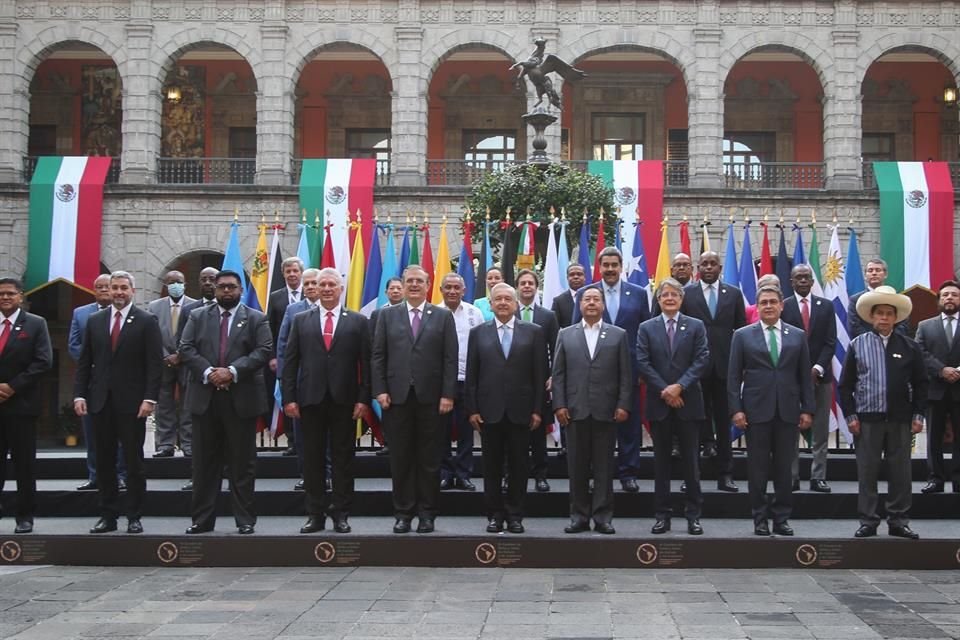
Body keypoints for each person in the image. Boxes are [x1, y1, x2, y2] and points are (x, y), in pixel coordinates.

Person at [179, 270, 272, 535]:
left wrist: (231, 371)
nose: (226, 291)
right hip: (204, 399)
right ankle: (202, 520)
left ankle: (244, 520)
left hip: (240, 399)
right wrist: (210, 373)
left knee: (242, 464)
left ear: (241, 290)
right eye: (222, 287)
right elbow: (185, 348)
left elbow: (264, 350)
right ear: (214, 290)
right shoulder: (196, 316)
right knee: (203, 464)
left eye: (232, 287)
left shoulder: (256, 318)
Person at [74, 271, 163, 535]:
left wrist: (150, 398)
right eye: (115, 288)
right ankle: (108, 515)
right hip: (100, 402)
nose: (119, 292)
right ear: (108, 291)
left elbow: (154, 364)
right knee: (104, 461)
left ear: (132, 291)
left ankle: (134, 516)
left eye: (124, 287)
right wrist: (80, 394)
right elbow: (85, 363)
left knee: (133, 463)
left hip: (133, 404)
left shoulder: (146, 321)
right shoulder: (95, 320)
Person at [282, 268, 370, 534]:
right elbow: (290, 362)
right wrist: (289, 399)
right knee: (312, 460)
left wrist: (363, 399)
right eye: (323, 285)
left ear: (341, 289)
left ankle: (341, 514)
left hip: (344, 400)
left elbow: (366, 364)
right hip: (310, 399)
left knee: (343, 459)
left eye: (333, 285)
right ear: (316, 289)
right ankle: (315, 514)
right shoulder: (300, 320)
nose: (328, 289)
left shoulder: (357, 321)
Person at [372, 265, 458, 534]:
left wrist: (447, 394)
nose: (413, 285)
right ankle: (403, 513)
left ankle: (427, 513)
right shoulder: (386, 316)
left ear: (428, 284)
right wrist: (380, 390)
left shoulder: (442, 316)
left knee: (429, 459)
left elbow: (449, 359)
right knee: (401, 458)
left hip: (432, 399)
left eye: (419, 281)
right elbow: (378, 356)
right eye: (409, 281)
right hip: (396, 398)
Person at [839, 286, 927, 539]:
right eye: (880, 313)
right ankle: (868, 520)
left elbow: (921, 383)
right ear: (872, 317)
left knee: (901, 472)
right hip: (867, 420)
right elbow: (845, 386)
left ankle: (898, 520)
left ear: (896, 317)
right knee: (867, 472)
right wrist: (851, 416)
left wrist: (918, 416)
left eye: (889, 313)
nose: (884, 318)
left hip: (900, 420)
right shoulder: (857, 345)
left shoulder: (910, 347)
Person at [728, 284, 814, 537]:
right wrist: (736, 410)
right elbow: (733, 377)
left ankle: (782, 518)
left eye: (772, 302)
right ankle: (760, 519)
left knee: (784, 470)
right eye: (763, 302)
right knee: (758, 469)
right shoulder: (742, 335)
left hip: (787, 411)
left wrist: (807, 409)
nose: (768, 306)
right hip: (756, 412)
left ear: (781, 305)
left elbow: (804, 376)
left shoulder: (797, 335)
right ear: (758, 306)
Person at [465, 283, 546, 534]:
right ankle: (494, 515)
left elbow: (539, 373)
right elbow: (472, 375)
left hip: (521, 411)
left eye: (507, 299)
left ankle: (515, 515)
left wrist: (537, 410)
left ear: (515, 304)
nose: (502, 303)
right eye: (497, 299)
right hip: (489, 411)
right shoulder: (478, 333)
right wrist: (473, 409)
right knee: (491, 466)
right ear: (490, 304)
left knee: (520, 465)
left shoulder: (534, 332)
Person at [553, 287, 632, 535]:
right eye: (587, 299)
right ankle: (578, 516)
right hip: (574, 411)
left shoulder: (618, 335)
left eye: (596, 299)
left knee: (604, 468)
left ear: (603, 305)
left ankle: (602, 517)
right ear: (580, 304)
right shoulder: (565, 335)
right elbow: (559, 374)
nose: (591, 303)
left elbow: (625, 375)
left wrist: (622, 404)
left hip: (606, 411)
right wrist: (560, 404)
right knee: (576, 467)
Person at [636, 278, 710, 536]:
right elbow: (642, 362)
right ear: (658, 300)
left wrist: (679, 387)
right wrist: (665, 391)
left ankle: (693, 516)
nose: (669, 298)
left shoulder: (696, 326)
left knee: (691, 463)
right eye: (664, 295)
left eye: (673, 295)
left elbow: (701, 359)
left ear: (681, 299)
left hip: (689, 402)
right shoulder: (646, 328)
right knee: (661, 464)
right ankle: (662, 516)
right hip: (659, 403)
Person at [572, 247, 649, 493]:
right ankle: (598, 473)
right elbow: (575, 333)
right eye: (605, 265)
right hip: (595, 372)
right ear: (599, 266)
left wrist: (643, 369)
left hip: (630, 370)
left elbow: (644, 333)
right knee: (598, 426)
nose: (610, 269)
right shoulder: (587, 293)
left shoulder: (637, 294)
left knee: (629, 423)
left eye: (614, 265)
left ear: (621, 266)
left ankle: (628, 473)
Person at [681, 250, 745, 492]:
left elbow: (740, 333)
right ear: (698, 268)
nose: (708, 267)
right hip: (695, 369)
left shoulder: (734, 294)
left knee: (723, 420)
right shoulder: (687, 294)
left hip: (725, 369)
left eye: (713, 264)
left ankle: (725, 474)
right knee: (694, 424)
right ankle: (692, 476)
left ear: (720, 268)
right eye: (704, 264)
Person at [0, 278, 52, 533]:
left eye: (10, 293)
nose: (5, 297)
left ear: (20, 296)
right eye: (1, 294)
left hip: (21, 405)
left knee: (24, 465)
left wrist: (12, 386)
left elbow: (43, 361)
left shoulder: (35, 324)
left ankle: (25, 516)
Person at [68, 273, 126, 492]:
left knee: (119, 434)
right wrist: (93, 365)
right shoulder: (81, 314)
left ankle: (119, 475)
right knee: (93, 433)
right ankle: (94, 476)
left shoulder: (124, 316)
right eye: (99, 287)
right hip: (92, 382)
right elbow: (74, 345)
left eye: (107, 286)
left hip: (120, 383)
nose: (103, 290)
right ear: (94, 290)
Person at [781, 265, 836, 493]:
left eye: (806, 277)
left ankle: (818, 476)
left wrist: (817, 368)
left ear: (813, 281)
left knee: (820, 429)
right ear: (791, 281)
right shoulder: (784, 306)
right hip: (791, 378)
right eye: (798, 278)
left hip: (820, 378)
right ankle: (792, 476)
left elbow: (830, 342)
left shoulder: (826, 306)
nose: (802, 281)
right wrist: (800, 369)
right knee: (791, 428)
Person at [275, 268, 325, 492]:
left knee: (329, 436)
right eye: (308, 284)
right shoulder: (293, 310)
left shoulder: (334, 311)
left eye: (315, 283)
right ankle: (307, 475)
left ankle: (329, 474)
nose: (312, 287)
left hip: (328, 384)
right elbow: (284, 346)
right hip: (301, 383)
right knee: (304, 436)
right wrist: (284, 380)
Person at [173, 266, 218, 493]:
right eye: (204, 279)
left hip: (226, 381)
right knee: (197, 434)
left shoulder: (233, 310)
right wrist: (206, 370)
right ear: (199, 283)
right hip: (197, 378)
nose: (209, 283)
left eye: (213, 279)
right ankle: (197, 477)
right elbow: (183, 344)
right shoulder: (190, 310)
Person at [438, 273, 484, 492]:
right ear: (441, 290)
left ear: (464, 290)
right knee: (442, 430)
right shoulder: (434, 313)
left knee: (467, 431)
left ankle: (464, 474)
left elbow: (482, 347)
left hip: (468, 380)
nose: (453, 291)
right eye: (448, 287)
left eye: (457, 287)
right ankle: (445, 474)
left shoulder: (475, 314)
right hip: (441, 382)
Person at [515, 269, 559, 492]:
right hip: (512, 384)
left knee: (538, 432)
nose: (526, 287)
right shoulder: (507, 312)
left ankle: (540, 475)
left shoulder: (547, 316)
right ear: (517, 287)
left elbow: (556, 348)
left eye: (530, 283)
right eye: (522, 283)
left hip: (539, 383)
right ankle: (512, 475)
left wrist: (553, 376)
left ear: (536, 287)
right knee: (513, 433)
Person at [916, 280, 960, 494]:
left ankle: (958, 480)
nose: (949, 298)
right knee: (934, 437)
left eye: (954, 294)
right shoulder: (925, 326)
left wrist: (957, 370)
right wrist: (942, 370)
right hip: (935, 389)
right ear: (939, 300)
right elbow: (920, 353)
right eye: (945, 295)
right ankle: (936, 479)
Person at [147, 270, 195, 458]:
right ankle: (165, 444)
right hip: (163, 361)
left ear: (185, 284)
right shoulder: (154, 306)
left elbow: (194, 335)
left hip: (186, 362)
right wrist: (166, 355)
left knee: (187, 404)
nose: (176, 285)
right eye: (171, 282)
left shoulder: (194, 306)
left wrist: (180, 355)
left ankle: (188, 443)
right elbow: (152, 335)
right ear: (165, 286)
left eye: (179, 282)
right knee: (164, 404)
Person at [268, 257, 304, 456]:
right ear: (283, 274)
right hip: (285, 358)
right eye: (288, 271)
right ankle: (292, 441)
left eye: (295, 271)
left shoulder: (311, 293)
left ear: (301, 272)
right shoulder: (276, 297)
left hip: (306, 357)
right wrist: (273, 356)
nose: (291, 274)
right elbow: (270, 328)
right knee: (288, 398)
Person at [369, 276, 404, 458]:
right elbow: (374, 345)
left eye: (399, 288)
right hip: (386, 370)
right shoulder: (378, 314)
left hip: (404, 371)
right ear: (386, 292)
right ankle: (388, 442)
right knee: (387, 410)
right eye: (392, 289)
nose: (396, 291)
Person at [847, 258, 909, 339]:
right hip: (865, 345)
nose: (874, 273)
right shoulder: (855, 300)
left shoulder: (896, 299)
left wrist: (888, 339)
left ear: (885, 274)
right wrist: (873, 340)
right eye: (870, 270)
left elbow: (903, 324)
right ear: (865, 275)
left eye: (878, 270)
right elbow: (854, 326)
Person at [550, 263, 586, 329]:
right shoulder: (559, 301)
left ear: (584, 277)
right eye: (572, 274)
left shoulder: (593, 297)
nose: (576, 277)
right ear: (567, 278)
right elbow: (554, 327)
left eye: (579, 274)